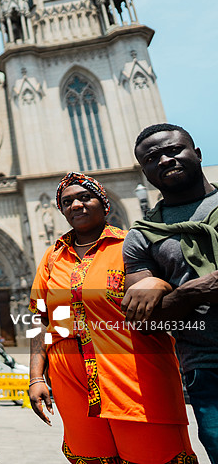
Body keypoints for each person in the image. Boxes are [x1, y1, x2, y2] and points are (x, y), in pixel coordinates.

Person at [29, 172, 196, 463]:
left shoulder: (132, 244)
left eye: (85, 197)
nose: (76, 205)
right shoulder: (52, 258)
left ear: (104, 204)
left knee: (153, 455)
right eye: (67, 202)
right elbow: (40, 320)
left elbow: (174, 292)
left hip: (136, 382)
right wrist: (35, 377)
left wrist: (160, 284)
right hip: (73, 388)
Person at [123, 123, 218, 460]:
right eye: (152, 158)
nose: (164, 160)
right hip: (208, 369)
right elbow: (143, 319)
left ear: (198, 153)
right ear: (144, 171)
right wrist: (197, 290)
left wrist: (169, 291)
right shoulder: (141, 236)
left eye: (173, 150)